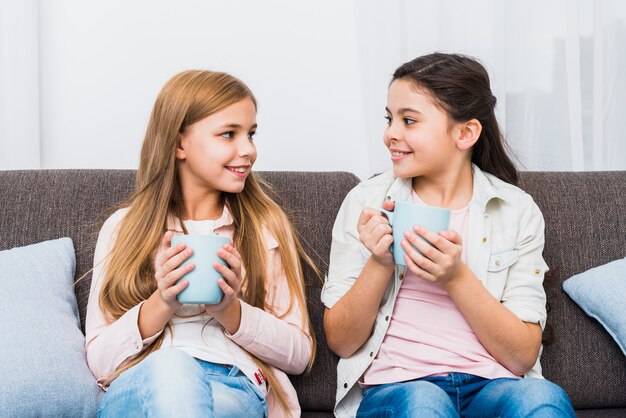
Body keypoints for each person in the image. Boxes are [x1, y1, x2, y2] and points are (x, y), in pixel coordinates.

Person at [321, 53, 576, 417]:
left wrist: (456, 277)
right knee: (424, 403)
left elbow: (520, 357)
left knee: (542, 399)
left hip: (493, 387)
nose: (391, 133)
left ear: (466, 133)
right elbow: (342, 342)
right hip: (399, 388)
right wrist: (379, 262)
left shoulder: (516, 210)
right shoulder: (367, 202)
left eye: (409, 120)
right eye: (390, 118)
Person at [85, 70, 316, 418]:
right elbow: (100, 361)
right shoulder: (123, 229)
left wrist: (229, 310)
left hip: (233, 384)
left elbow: (299, 355)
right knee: (173, 372)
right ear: (179, 144)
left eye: (251, 134)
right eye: (228, 134)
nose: (248, 150)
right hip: (142, 383)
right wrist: (162, 301)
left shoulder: (265, 227)